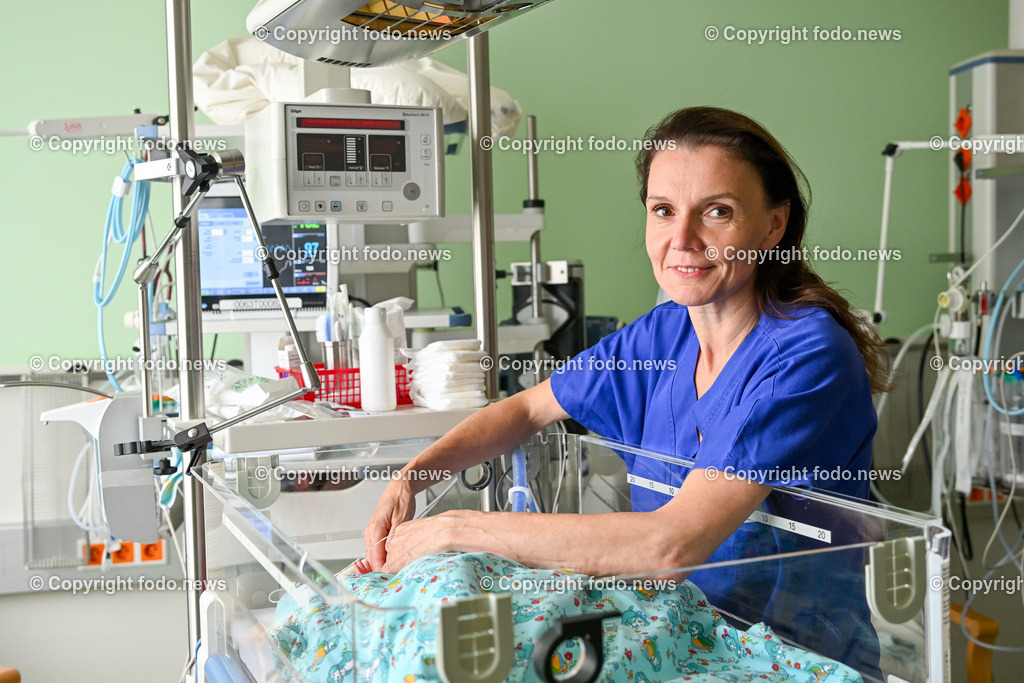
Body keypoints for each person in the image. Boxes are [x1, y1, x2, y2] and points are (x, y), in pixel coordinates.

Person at [362, 106, 890, 673]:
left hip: (786, 656)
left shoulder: (806, 356)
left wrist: (457, 530)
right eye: (663, 210)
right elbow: (523, 410)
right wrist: (414, 476)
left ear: (773, 225)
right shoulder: (663, 335)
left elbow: (670, 547)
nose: (683, 239)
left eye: (718, 212)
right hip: (683, 638)